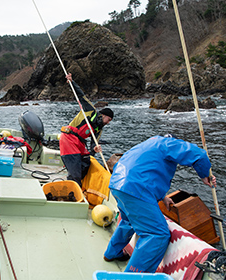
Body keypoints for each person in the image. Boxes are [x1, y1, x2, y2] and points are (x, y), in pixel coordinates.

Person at [103, 134, 217, 273]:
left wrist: (163, 197)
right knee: (157, 234)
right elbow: (199, 155)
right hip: (135, 189)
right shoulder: (167, 143)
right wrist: (205, 175)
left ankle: (111, 253)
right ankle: (134, 276)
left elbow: (146, 171)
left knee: (128, 221)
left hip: (117, 185)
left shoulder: (147, 144)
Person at [59, 73, 113, 188]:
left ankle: (77, 180)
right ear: (103, 115)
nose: (108, 122)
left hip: (79, 142)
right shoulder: (90, 110)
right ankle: (73, 184)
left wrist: (94, 148)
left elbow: (94, 143)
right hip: (69, 138)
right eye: (108, 119)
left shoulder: (99, 129)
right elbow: (81, 96)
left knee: (86, 161)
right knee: (75, 168)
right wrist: (72, 82)